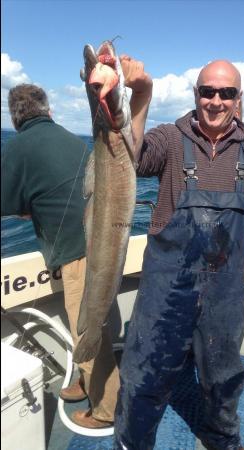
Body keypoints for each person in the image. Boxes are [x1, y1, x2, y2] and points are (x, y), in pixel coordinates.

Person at [114, 58, 244, 450]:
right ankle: (133, 442)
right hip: (165, 291)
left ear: (239, 99)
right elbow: (132, 158)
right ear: (196, 95)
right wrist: (141, 94)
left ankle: (222, 437)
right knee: (144, 378)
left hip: (225, 293)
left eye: (227, 93)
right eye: (208, 91)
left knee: (223, 377)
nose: (217, 101)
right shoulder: (171, 140)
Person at [1, 84, 119, 428]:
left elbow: (8, 202)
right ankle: (86, 381)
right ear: (48, 110)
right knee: (95, 322)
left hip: (75, 251)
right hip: (101, 243)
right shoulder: (69, 136)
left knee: (87, 332)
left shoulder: (19, 145)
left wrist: (27, 207)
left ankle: (107, 409)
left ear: (15, 117)